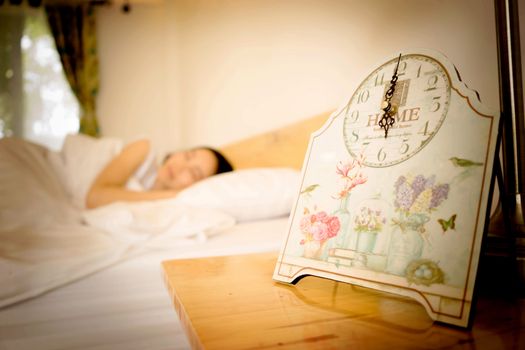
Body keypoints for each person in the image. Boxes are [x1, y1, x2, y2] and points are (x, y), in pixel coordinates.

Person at [85, 139, 233, 209]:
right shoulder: (144, 149)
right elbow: (94, 198)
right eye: (188, 155)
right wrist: (171, 195)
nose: (180, 166)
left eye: (194, 173)